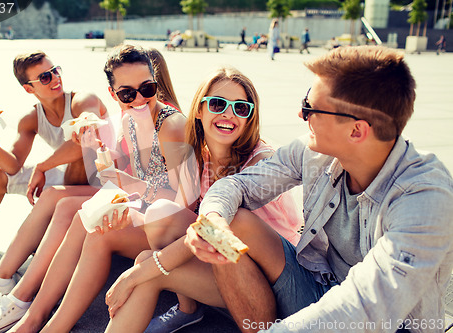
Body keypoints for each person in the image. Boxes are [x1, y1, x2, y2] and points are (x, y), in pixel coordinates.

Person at [185, 45, 453, 332]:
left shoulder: (424, 197)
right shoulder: (310, 152)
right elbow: (238, 185)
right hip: (318, 284)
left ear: (356, 131)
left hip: (386, 324)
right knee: (229, 223)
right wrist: (212, 218)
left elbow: (367, 305)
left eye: (310, 108)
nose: (301, 115)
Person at [94, 66, 302, 333]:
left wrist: (136, 274)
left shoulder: (260, 162)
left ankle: (189, 310)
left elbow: (212, 234)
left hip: (271, 281)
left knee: (145, 270)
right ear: (200, 110)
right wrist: (129, 213)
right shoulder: (198, 156)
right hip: (225, 264)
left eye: (241, 108)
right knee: (159, 217)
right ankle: (188, 309)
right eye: (218, 103)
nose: (229, 114)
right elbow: (176, 215)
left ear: (250, 117)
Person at [2, 44, 188, 333]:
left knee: (96, 231)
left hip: (177, 227)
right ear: (113, 94)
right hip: (150, 215)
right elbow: (111, 181)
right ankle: (31, 320)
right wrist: (93, 150)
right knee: (86, 221)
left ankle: (44, 324)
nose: (138, 99)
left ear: (156, 82)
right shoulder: (129, 119)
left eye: (147, 88)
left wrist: (123, 189)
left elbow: (181, 201)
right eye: (127, 93)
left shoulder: (172, 124)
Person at [0, 50, 107, 271]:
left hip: (103, 178)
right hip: (69, 176)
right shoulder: (31, 118)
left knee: (82, 153)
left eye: (55, 71)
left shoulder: (83, 100)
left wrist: (43, 167)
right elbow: (13, 165)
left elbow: (86, 139)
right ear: (29, 88)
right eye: (45, 77)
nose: (55, 79)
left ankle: (43, 234)